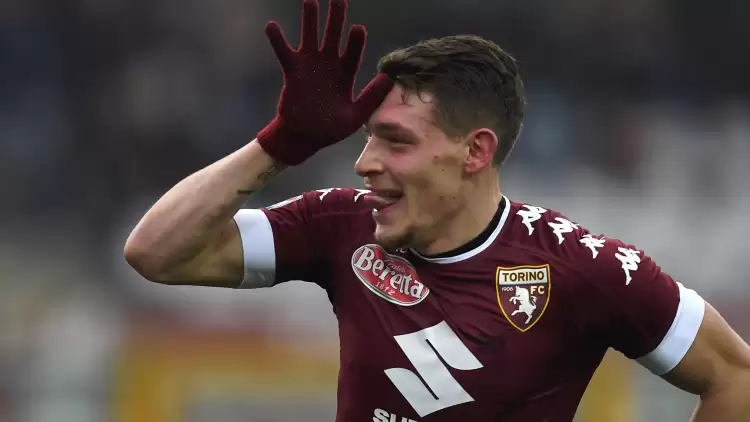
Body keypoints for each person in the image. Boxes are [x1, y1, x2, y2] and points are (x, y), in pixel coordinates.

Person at [123, 0, 750, 420]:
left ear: (474, 152)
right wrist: (279, 143)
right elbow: (155, 253)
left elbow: (734, 376)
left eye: (395, 141)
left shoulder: (580, 268)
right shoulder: (340, 226)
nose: (364, 162)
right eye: (367, 138)